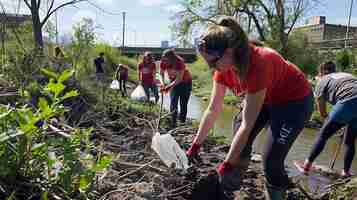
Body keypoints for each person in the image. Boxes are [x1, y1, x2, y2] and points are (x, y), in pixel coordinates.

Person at [186, 16, 313, 199]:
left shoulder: (259, 63)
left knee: (271, 160)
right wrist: (195, 146)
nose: (211, 67)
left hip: (294, 102)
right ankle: (228, 187)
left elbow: (248, 124)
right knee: (239, 136)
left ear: (229, 51)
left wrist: (225, 165)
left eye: (213, 62)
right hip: (265, 97)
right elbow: (212, 109)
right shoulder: (223, 70)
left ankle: (276, 193)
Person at [297, 61, 357, 178]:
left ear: (322, 72)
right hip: (350, 100)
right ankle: (346, 172)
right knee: (350, 141)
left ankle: (306, 167)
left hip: (348, 100)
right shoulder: (346, 75)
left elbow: (322, 112)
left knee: (323, 135)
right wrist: (344, 120)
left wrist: (331, 121)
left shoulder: (322, 80)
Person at [160, 49, 192, 128]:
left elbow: (179, 79)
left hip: (185, 83)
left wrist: (168, 86)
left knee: (183, 103)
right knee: (173, 102)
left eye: (166, 60)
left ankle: (182, 122)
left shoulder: (179, 62)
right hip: (173, 82)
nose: (164, 62)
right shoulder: (163, 62)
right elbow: (161, 73)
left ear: (171, 59)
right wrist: (163, 84)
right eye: (163, 60)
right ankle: (173, 122)